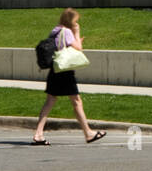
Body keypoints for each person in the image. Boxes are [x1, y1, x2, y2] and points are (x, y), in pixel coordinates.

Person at [32, 8, 106, 145]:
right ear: (71, 20)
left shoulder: (55, 30)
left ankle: (38, 134)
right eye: (76, 20)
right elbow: (78, 48)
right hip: (65, 71)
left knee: (50, 101)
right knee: (76, 101)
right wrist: (77, 33)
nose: (77, 23)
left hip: (55, 70)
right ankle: (88, 133)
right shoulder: (66, 31)